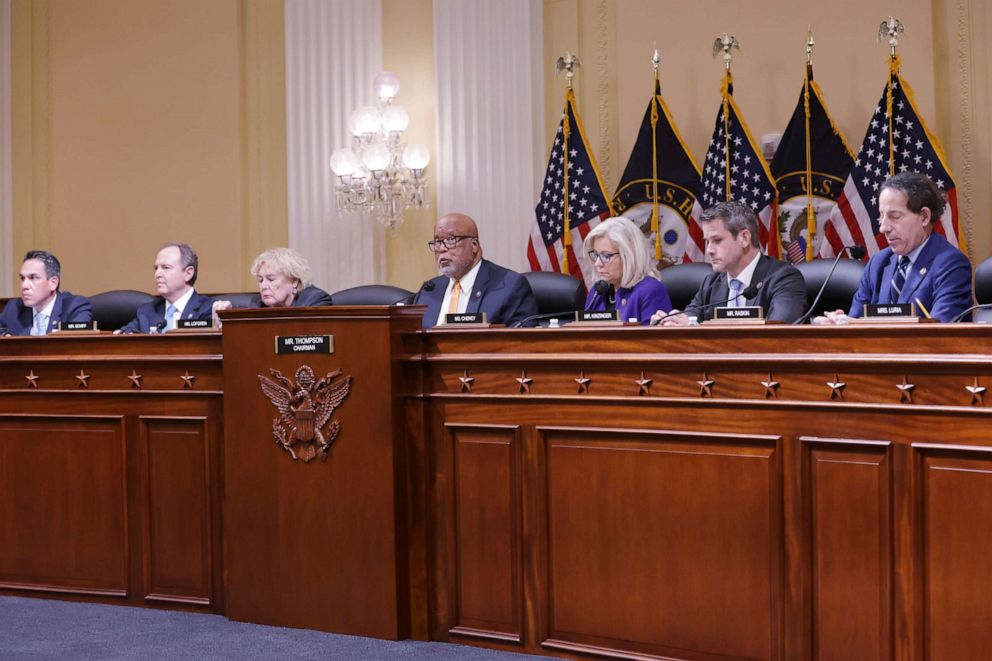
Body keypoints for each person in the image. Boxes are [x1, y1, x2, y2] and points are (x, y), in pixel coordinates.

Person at [818, 172, 972, 324]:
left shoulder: (951, 265)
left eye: (895, 217)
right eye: (881, 216)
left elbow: (940, 334)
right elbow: (856, 324)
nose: (883, 228)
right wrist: (839, 323)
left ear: (924, 217)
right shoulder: (878, 263)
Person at [651, 201, 806, 325]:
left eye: (717, 240)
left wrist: (696, 328)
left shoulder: (784, 278)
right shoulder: (711, 283)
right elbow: (689, 318)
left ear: (744, 238)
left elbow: (779, 335)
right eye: (707, 242)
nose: (709, 251)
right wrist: (672, 323)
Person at [413, 212, 538, 328]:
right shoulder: (429, 290)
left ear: (474, 245)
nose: (441, 248)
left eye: (451, 239)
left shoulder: (509, 286)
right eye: (437, 241)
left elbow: (522, 343)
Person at [582, 216, 671, 324]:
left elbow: (653, 340)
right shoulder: (597, 292)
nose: (598, 263)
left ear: (629, 255)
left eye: (606, 256)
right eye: (596, 255)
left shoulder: (650, 290)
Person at [212, 248, 332, 321]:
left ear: (294, 281)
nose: (263, 286)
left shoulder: (315, 300)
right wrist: (225, 321)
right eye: (260, 280)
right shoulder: (257, 303)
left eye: (271, 279)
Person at [118, 243, 214, 333]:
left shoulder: (208, 309)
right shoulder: (147, 311)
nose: (157, 274)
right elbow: (123, 336)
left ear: (188, 273)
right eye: (156, 268)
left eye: (166, 267)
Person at [0, 250, 92, 336]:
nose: (24, 285)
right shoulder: (14, 308)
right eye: (22, 278)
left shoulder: (74, 307)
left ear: (53, 283)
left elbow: (76, 345)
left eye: (33, 278)